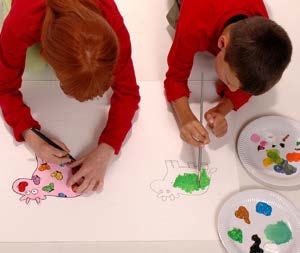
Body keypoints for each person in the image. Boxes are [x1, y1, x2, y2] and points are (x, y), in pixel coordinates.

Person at [0, 0, 140, 194]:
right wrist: (32, 137)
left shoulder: (110, 18)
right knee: (33, 67)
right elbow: (4, 88)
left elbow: (129, 92)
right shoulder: (22, 20)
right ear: (48, 53)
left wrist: (107, 148)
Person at [164, 0, 292, 147]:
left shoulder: (262, 31)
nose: (231, 90)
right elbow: (175, 78)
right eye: (227, 80)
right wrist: (186, 119)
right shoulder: (194, 26)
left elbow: (247, 83)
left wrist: (222, 109)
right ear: (221, 43)